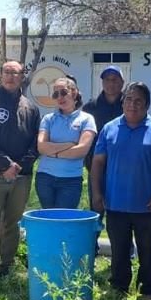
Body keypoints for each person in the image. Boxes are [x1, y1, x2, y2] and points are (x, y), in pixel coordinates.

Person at [91, 82, 151, 300]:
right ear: (122, 102)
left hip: (147, 206)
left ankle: (147, 291)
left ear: (147, 104)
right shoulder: (110, 128)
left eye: (138, 100)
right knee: (119, 252)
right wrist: (97, 194)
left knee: (147, 254)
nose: (132, 104)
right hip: (116, 203)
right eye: (128, 99)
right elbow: (98, 163)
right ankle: (119, 288)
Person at [0, 60, 40, 279]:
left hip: (21, 176)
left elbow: (35, 143)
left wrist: (18, 166)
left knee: (13, 223)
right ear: (0, 75)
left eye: (16, 73)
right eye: (7, 72)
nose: (11, 76)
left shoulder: (30, 108)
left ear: (23, 76)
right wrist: (5, 165)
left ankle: (7, 265)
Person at [35, 76, 97, 209]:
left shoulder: (87, 119)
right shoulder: (48, 119)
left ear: (74, 93)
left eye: (63, 92)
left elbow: (81, 151)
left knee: (63, 221)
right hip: (45, 178)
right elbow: (41, 147)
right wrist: (68, 145)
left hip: (71, 180)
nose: (60, 97)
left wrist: (54, 152)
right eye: (55, 94)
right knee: (48, 220)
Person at [83, 65, 125, 207]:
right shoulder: (90, 107)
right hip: (96, 170)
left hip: (123, 171)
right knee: (96, 211)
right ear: (102, 82)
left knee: (119, 213)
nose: (111, 83)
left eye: (115, 79)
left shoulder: (129, 105)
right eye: (107, 79)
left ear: (122, 82)